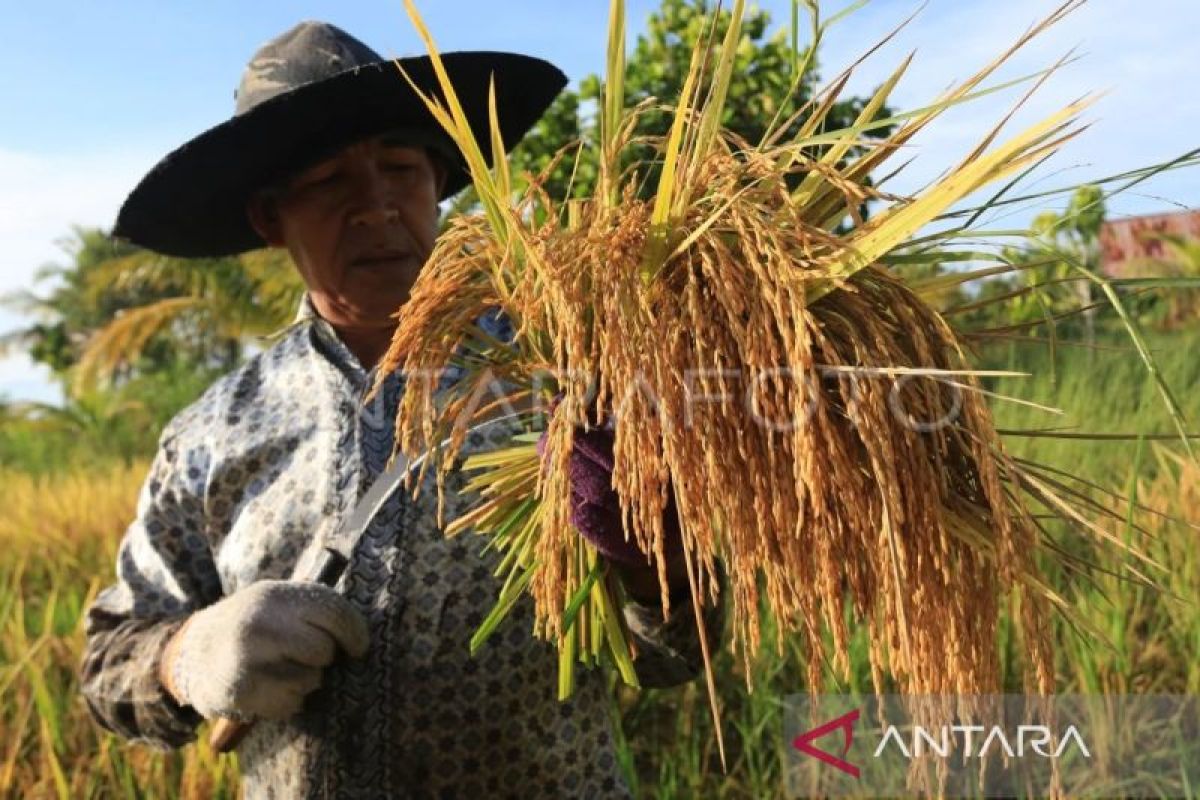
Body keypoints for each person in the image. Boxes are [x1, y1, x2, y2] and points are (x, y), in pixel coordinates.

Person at [79, 21, 718, 800]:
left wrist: (650, 557)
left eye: (400, 168)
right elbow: (108, 661)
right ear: (268, 218)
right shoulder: (214, 433)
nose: (376, 205)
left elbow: (678, 659)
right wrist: (187, 657)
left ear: (437, 181)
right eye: (327, 181)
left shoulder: (568, 379)